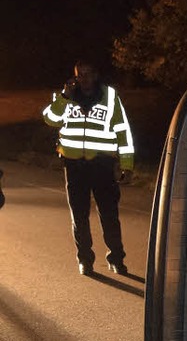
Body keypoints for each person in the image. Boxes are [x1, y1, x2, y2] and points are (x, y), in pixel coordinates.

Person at [42, 61, 134, 275]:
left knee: (109, 214)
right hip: (74, 166)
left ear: (96, 74)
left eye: (88, 74)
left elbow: (122, 130)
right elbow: (50, 119)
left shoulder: (110, 97)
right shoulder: (65, 97)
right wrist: (64, 96)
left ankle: (116, 257)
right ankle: (85, 260)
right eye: (80, 75)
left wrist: (127, 164)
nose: (84, 79)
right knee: (79, 216)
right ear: (74, 77)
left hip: (102, 164)